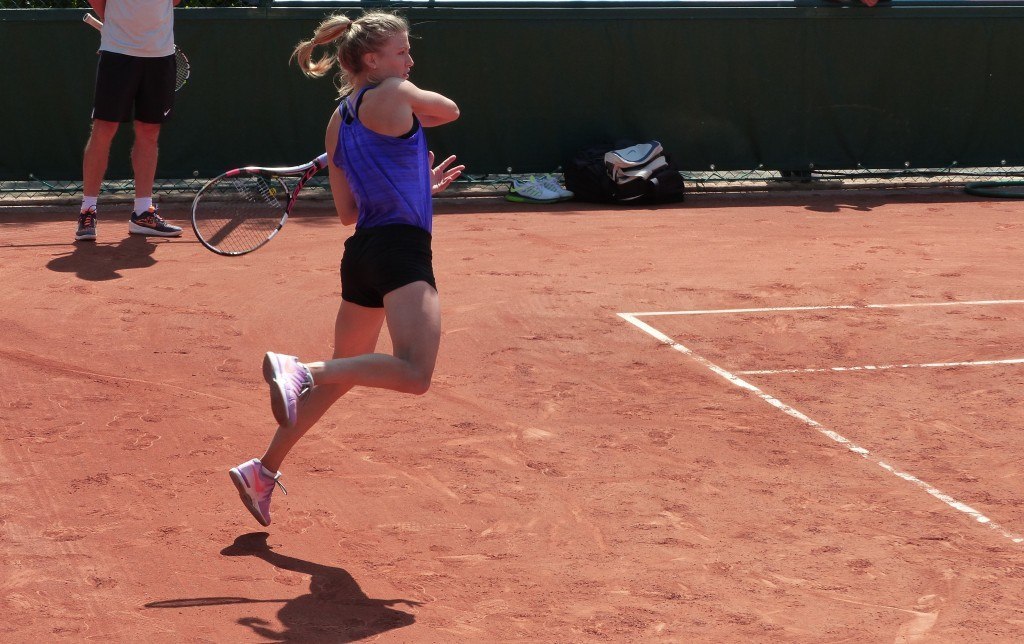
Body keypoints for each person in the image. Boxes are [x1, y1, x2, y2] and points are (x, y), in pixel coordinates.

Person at [229, 11, 464, 527]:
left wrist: (420, 186)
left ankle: (262, 471)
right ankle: (300, 370)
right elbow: (449, 110)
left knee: (344, 376)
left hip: (362, 256)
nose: (409, 60)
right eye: (401, 51)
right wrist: (401, 87)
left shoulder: (338, 120)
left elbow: (350, 213)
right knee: (415, 374)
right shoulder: (398, 93)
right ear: (371, 59)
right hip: (401, 252)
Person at [76, 0, 183, 242]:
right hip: (118, 51)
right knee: (104, 128)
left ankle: (143, 212)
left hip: (160, 52)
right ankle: (87, 211)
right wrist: (115, 25)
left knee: (149, 131)